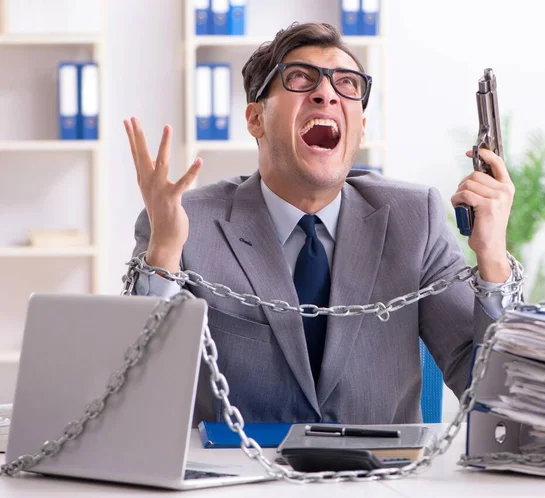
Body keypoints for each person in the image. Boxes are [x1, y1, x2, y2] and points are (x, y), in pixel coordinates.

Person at [124, 22, 518, 426]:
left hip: (380, 485)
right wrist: (164, 255)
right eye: (299, 78)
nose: (326, 93)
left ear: (361, 128)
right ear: (256, 119)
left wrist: (492, 259)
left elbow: (493, 393)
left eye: (346, 84)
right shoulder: (186, 223)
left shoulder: (416, 218)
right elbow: (141, 399)